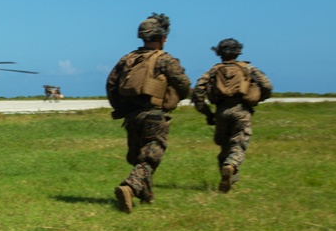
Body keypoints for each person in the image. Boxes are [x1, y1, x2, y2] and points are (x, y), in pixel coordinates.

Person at [106, 13, 191, 213]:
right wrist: (178, 97)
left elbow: (111, 85)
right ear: (162, 37)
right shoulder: (165, 60)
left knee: (139, 156)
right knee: (151, 156)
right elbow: (184, 84)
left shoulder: (127, 60)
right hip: (154, 114)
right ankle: (130, 187)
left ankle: (147, 196)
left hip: (131, 116)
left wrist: (120, 107)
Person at [191, 38, 273, 192]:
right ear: (238, 52)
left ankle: (229, 179)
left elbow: (197, 92)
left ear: (219, 53)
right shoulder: (248, 68)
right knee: (238, 146)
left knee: (224, 148)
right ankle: (230, 167)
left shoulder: (213, 71)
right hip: (241, 110)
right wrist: (256, 98)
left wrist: (208, 113)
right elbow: (267, 85)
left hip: (221, 112)